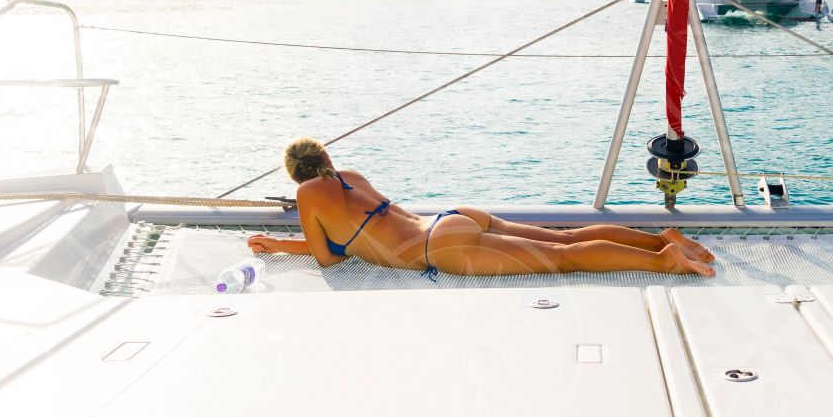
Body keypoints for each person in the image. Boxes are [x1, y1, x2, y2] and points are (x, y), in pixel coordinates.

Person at [246, 139, 716, 279]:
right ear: (326, 158)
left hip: (438, 247)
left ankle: (662, 261)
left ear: (296, 177)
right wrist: (285, 243)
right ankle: (662, 239)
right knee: (566, 238)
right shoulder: (352, 176)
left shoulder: (309, 195)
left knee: (565, 260)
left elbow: (329, 255)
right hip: (451, 218)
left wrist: (285, 247)